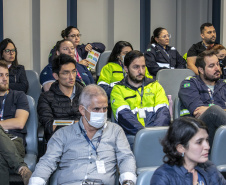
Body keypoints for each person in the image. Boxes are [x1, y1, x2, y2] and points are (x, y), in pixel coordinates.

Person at [29, 84, 136, 185]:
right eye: (96, 109)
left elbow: (126, 157)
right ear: (82, 110)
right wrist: (36, 181)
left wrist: (128, 180)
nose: (102, 113)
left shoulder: (115, 131)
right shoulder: (62, 134)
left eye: (105, 109)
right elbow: (48, 162)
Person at [111, 50, 170, 149]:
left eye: (143, 66)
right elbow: (125, 117)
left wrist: (154, 134)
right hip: (132, 136)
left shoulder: (155, 86)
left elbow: (163, 113)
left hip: (157, 135)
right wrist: (145, 135)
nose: (141, 71)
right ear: (126, 68)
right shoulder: (117, 90)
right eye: (136, 67)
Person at [150, 117, 226, 185]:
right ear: (181, 148)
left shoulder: (210, 168)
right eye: (199, 142)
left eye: (207, 140)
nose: (207, 147)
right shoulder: (163, 176)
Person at [179, 50, 226, 147]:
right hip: (197, 132)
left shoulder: (224, 84)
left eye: (217, 64)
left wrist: (210, 109)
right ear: (200, 69)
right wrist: (214, 110)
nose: (217, 68)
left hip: (222, 133)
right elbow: (198, 112)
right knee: (214, 111)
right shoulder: (189, 84)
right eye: (211, 66)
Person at [37, 54, 83, 141]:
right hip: (60, 141)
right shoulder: (46, 98)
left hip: (84, 140)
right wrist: (76, 124)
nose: (71, 77)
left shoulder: (85, 94)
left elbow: (92, 122)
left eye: (73, 71)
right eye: (66, 73)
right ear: (56, 76)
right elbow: (49, 126)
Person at [0, 60, 31, 185]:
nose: (5, 79)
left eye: (6, 75)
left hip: (14, 140)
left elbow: (19, 123)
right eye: (0, 75)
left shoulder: (19, 96)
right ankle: (21, 167)